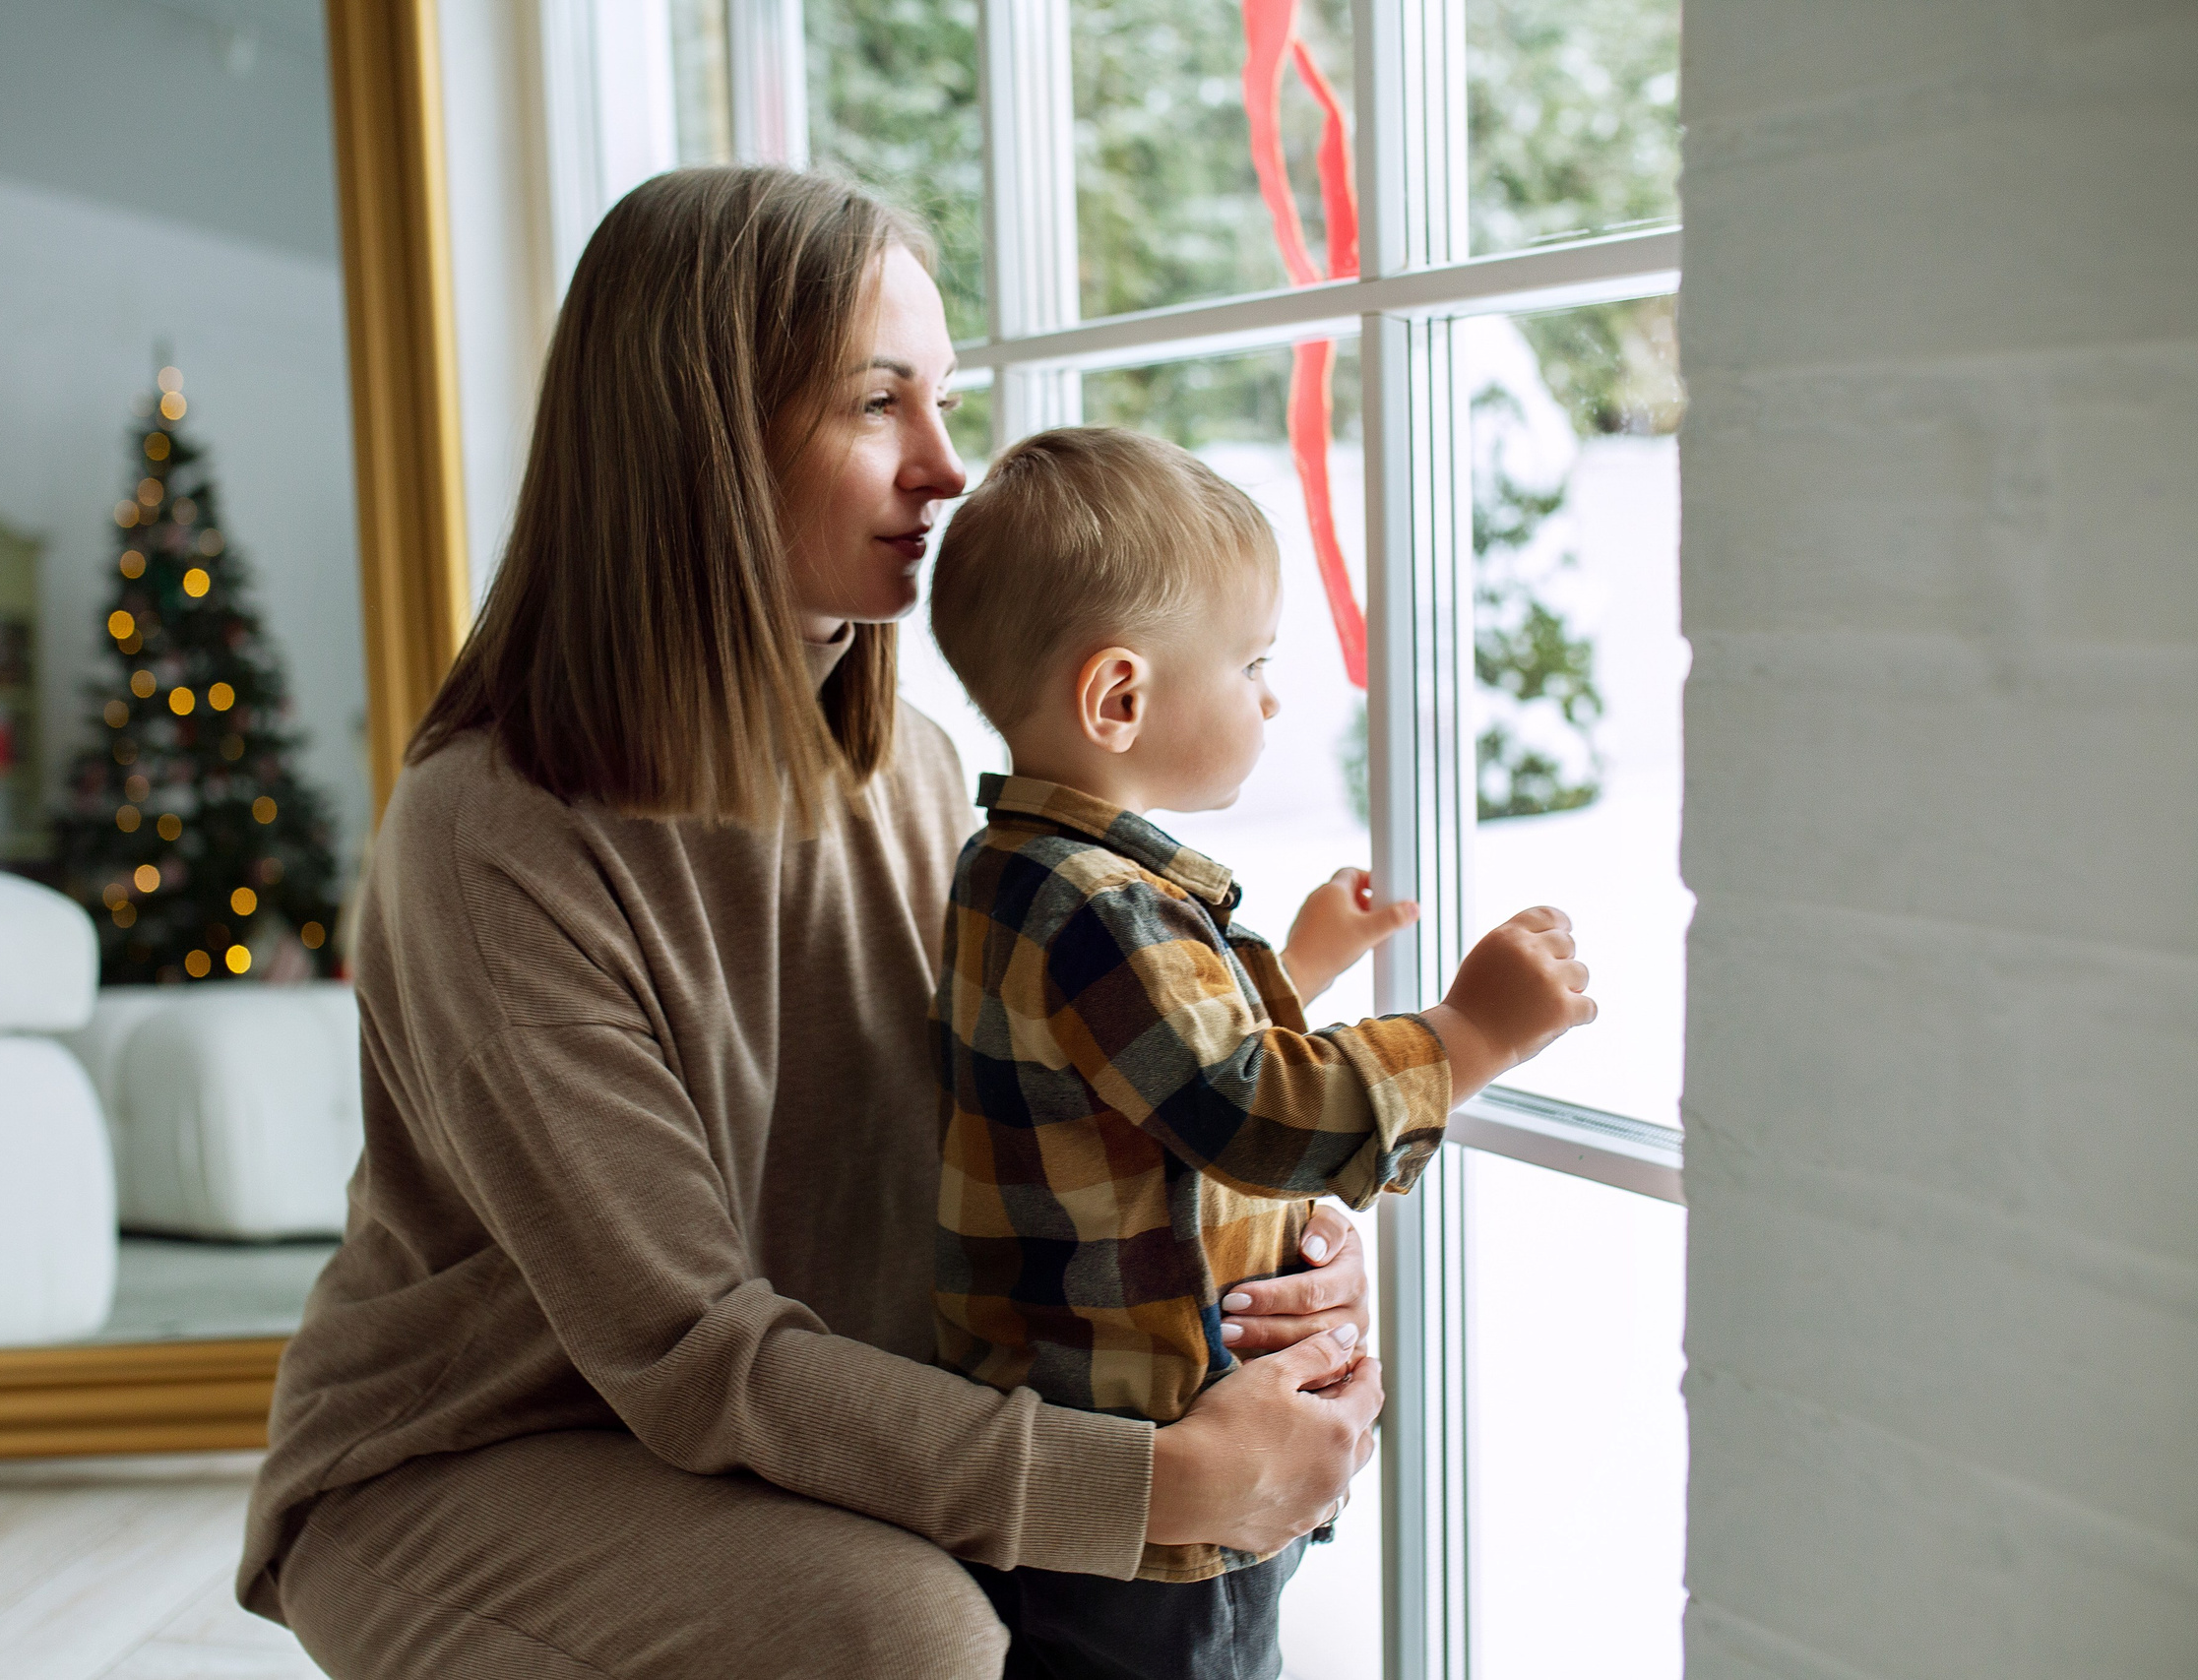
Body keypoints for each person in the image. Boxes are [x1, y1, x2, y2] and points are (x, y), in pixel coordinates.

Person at [240, 168, 1394, 1679]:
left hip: (805, 1406)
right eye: (877, 404)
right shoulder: (492, 834)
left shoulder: (924, 778)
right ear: (700, 438)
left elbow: (1068, 1130)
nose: (948, 467)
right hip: (481, 1448)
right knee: (897, 1633)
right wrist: (1159, 1479)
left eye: (946, 399)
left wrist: (1273, 1251)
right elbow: (684, 1348)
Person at [926, 427, 1598, 1679]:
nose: (1272, 697)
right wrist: (1469, 1035)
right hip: (1145, 1478)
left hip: (1078, 1455)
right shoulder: (1105, 907)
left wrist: (1296, 964)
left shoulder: (1015, 867)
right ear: (1119, 698)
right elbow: (1236, 1107)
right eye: (1252, 664)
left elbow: (1139, 1072)